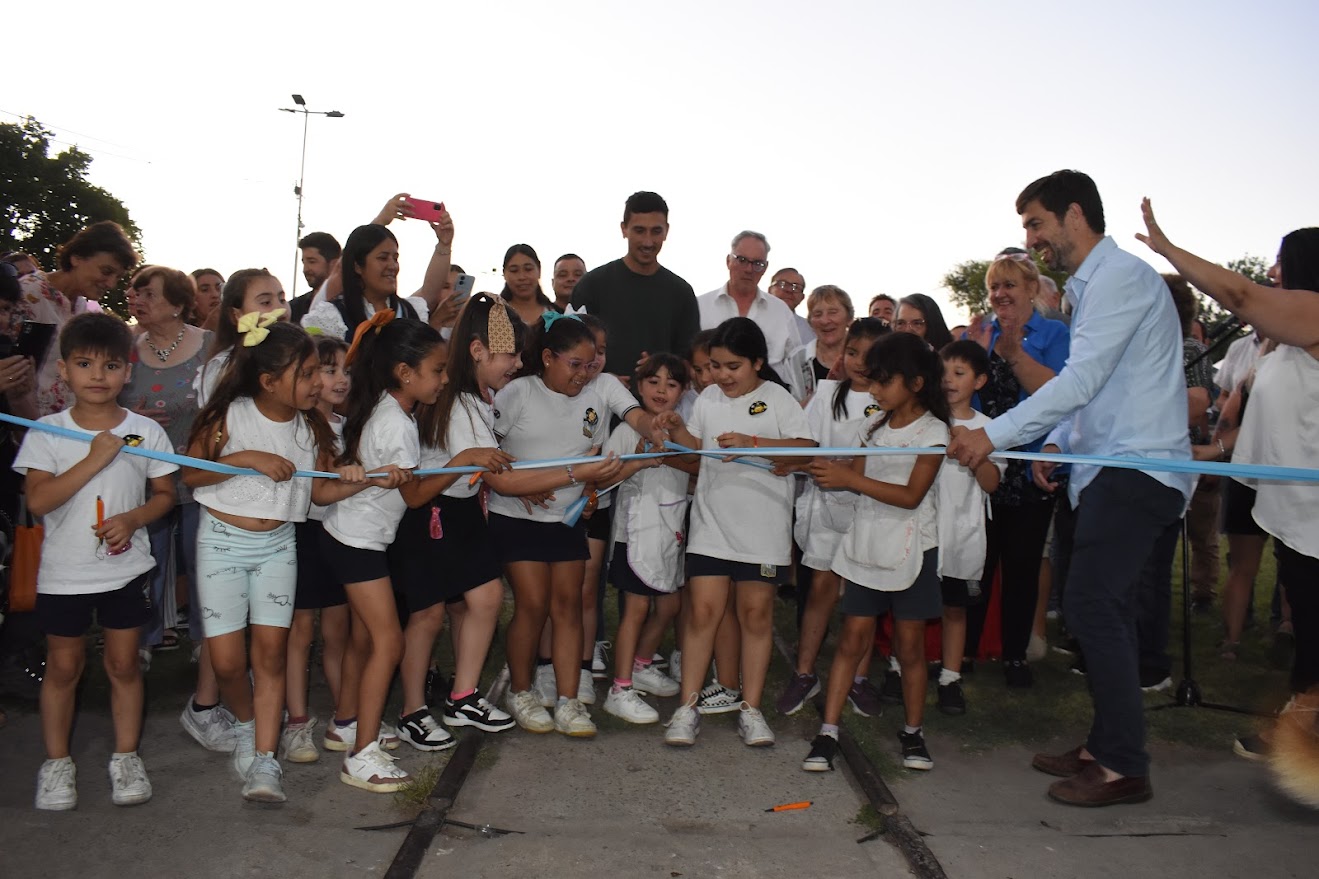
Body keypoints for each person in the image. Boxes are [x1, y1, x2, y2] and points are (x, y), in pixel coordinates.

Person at [949, 170, 1193, 808]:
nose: (1030, 239)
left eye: (1035, 223)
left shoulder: (1119, 280)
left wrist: (993, 435)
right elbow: (1099, 390)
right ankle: (1105, 745)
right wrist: (1058, 447)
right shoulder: (1094, 288)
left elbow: (1080, 381)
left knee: (1090, 609)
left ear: (1074, 215)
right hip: (1107, 467)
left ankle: (1122, 767)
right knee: (1096, 611)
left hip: (1137, 470)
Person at [1139, 213, 1319, 764]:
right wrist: (1206, 452)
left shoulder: (1314, 315)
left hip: (1315, 516)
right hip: (1295, 513)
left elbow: (1239, 292)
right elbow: (1254, 425)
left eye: (1281, 264)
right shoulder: (1280, 346)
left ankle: (1303, 730)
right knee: (1312, 627)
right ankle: (1304, 723)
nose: (1270, 273)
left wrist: (1171, 251)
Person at [15, 312, 177, 810]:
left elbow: (165, 494)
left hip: (125, 570)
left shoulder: (145, 431)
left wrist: (132, 520)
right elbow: (38, 503)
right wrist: (95, 458)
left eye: (110, 365)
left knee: (124, 664)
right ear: (63, 370)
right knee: (63, 667)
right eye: (84, 364)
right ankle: (57, 762)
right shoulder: (46, 431)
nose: (98, 376)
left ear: (126, 372)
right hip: (63, 573)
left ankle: (126, 757)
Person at [183, 320, 334, 802]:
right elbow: (189, 475)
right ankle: (248, 726)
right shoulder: (229, 416)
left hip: (278, 547)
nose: (319, 383)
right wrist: (246, 458)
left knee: (270, 654)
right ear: (269, 381)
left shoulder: (312, 428)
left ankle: (266, 762)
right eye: (307, 373)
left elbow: (322, 492)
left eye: (318, 372)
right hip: (221, 543)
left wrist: (364, 478)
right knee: (228, 663)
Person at [656, 317, 816, 748]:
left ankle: (751, 709)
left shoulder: (778, 399)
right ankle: (686, 709)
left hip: (763, 529)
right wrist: (675, 431)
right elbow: (700, 447)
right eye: (716, 366)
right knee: (703, 613)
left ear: (758, 363)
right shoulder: (708, 398)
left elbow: (807, 449)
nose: (722, 376)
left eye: (733, 366)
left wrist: (754, 443)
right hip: (711, 525)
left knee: (756, 616)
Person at [489, 313, 649, 737]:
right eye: (574, 364)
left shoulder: (595, 399)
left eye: (590, 364)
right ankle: (520, 691)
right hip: (517, 517)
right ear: (546, 357)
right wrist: (517, 486)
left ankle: (569, 699)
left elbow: (596, 455)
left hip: (567, 520)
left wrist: (591, 493)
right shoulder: (517, 393)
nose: (583, 374)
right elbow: (488, 450)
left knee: (569, 604)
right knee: (534, 603)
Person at [800, 332, 950, 773]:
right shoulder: (872, 427)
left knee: (909, 647)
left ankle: (913, 733)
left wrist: (847, 479)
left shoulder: (935, 432)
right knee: (850, 640)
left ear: (917, 383)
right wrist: (806, 465)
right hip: (865, 545)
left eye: (884, 382)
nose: (876, 390)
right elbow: (854, 480)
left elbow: (910, 496)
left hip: (913, 549)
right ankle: (828, 732)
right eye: (872, 381)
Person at [315, 316, 442, 792]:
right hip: (357, 543)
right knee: (388, 641)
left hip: (348, 535)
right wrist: (455, 468)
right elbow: (413, 498)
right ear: (405, 373)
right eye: (437, 370)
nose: (442, 379)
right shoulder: (396, 421)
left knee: (367, 641)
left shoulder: (384, 407)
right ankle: (360, 754)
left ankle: (345, 722)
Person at [391, 305, 523, 748]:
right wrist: (575, 473)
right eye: (509, 354)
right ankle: (411, 710)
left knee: (485, 597)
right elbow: (498, 476)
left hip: (463, 512)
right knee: (426, 615)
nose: (517, 364)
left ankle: (463, 696)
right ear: (478, 350)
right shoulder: (458, 402)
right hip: (431, 514)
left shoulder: (478, 401)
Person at [960, 252, 1070, 687]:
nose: (1001, 294)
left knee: (1023, 566)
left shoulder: (1054, 333)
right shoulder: (981, 333)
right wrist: (966, 350)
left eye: (1010, 285)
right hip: (984, 465)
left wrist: (1014, 353)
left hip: (1030, 468)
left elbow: (1063, 395)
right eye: (994, 287)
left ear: (1030, 289)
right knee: (977, 564)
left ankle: (1015, 656)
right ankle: (965, 650)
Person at [777, 318, 889, 717]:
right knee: (821, 591)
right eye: (853, 352)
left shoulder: (889, 401)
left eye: (870, 355)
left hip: (870, 511)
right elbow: (806, 446)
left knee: (862, 596)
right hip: (827, 507)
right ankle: (805, 672)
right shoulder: (828, 395)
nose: (860, 362)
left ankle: (858, 678)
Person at [119, 266, 211, 662]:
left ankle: (207, 640)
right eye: (135, 294)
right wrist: (131, 419)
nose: (138, 301)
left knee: (201, 559)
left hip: (198, 474)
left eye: (149, 294)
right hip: (143, 476)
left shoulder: (209, 345)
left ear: (177, 304)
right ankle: (144, 639)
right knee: (146, 558)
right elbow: (109, 410)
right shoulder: (125, 348)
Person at [600, 354, 695, 724]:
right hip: (635, 533)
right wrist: (639, 459)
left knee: (670, 606)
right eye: (653, 382)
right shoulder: (629, 428)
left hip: (670, 531)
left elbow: (694, 469)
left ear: (683, 392)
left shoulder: (683, 430)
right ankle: (619, 689)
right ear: (639, 387)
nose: (661, 390)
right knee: (636, 610)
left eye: (672, 384)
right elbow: (604, 478)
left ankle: (641, 664)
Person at [281, 336, 354, 764]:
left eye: (346, 370)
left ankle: (346, 718)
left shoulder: (349, 427)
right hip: (301, 533)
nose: (340, 379)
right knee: (299, 633)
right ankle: (296, 722)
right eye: (329, 370)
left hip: (339, 536)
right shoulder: (295, 428)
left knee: (337, 634)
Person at [933, 341, 1003, 715]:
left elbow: (992, 482)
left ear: (979, 381)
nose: (949, 381)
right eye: (943, 373)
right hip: (923, 529)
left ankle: (950, 677)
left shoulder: (990, 428)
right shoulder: (923, 419)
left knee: (955, 608)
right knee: (910, 605)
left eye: (959, 374)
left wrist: (970, 451)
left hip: (963, 532)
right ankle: (899, 668)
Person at [570, 191, 700, 378]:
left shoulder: (682, 293)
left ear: (667, 231)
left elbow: (691, 360)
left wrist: (662, 367)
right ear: (624, 229)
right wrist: (603, 381)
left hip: (664, 405)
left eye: (656, 231)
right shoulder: (592, 285)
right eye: (639, 230)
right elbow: (570, 352)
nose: (648, 241)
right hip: (596, 404)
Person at [18, 220, 139, 416]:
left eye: (118, 277)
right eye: (106, 271)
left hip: (68, 430)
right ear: (76, 258)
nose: (111, 283)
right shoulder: (27, 295)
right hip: (24, 431)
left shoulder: (84, 310)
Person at [302, 215, 453, 341]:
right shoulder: (332, 316)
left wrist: (444, 244)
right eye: (383, 258)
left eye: (395, 258)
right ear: (357, 266)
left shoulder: (409, 311)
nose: (392, 266)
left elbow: (431, 291)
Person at [697, 232, 803, 392]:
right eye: (742, 260)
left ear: (765, 268)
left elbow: (796, 367)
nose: (749, 269)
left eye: (757, 263)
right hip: (711, 404)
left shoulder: (781, 312)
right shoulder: (701, 306)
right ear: (728, 261)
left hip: (767, 406)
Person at [196, 268, 290, 408]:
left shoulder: (302, 354)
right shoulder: (224, 369)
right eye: (265, 302)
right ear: (236, 314)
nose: (280, 308)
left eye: (282, 299)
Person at [288, 232, 341, 324]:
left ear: (334, 264)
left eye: (312, 262)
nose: (305, 269)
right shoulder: (294, 307)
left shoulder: (349, 305)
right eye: (304, 263)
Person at [499, 244, 555, 326]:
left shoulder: (555, 316)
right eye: (514, 271)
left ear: (539, 270)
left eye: (528, 269)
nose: (522, 277)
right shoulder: (494, 315)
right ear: (504, 274)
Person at [769, 267, 812, 342]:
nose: (789, 290)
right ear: (770, 290)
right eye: (782, 284)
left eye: (796, 287)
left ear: (802, 298)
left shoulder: (810, 330)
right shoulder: (754, 317)